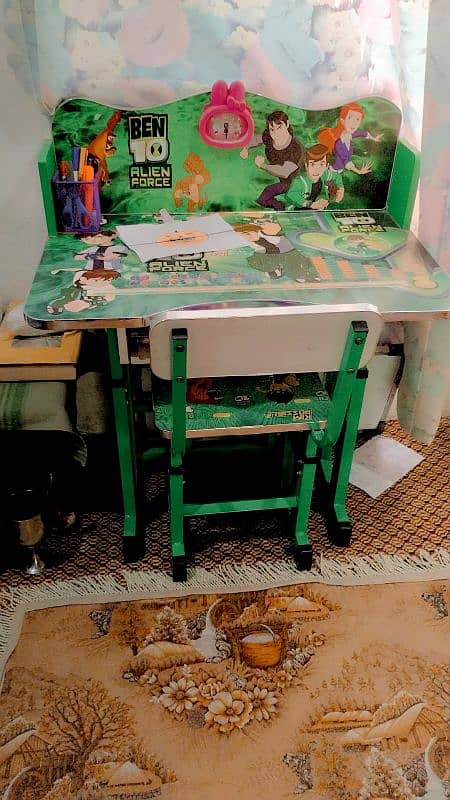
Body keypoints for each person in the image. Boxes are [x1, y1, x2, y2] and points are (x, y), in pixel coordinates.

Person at [240, 110, 305, 210]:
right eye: (272, 129)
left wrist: (263, 165)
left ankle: (284, 207)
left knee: (266, 196)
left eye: (279, 127)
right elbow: (257, 139)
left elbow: (284, 172)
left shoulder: (295, 148)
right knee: (262, 200)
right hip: (283, 181)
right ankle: (281, 207)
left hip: (297, 182)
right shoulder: (269, 136)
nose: (276, 133)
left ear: (287, 124)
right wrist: (246, 148)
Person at [318, 102, 382, 176]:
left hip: (339, 170)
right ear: (342, 121)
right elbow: (346, 161)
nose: (354, 123)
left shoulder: (349, 134)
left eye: (357, 119)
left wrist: (374, 138)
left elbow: (362, 133)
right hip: (332, 172)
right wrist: (358, 171)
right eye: (350, 118)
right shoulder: (339, 143)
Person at [284, 143, 344, 210]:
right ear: (306, 165)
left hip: (316, 211)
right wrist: (310, 204)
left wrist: (340, 189)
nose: (316, 169)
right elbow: (291, 195)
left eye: (321, 164)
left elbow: (337, 176)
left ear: (326, 166)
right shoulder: (299, 181)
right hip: (296, 212)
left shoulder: (324, 174)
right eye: (312, 164)